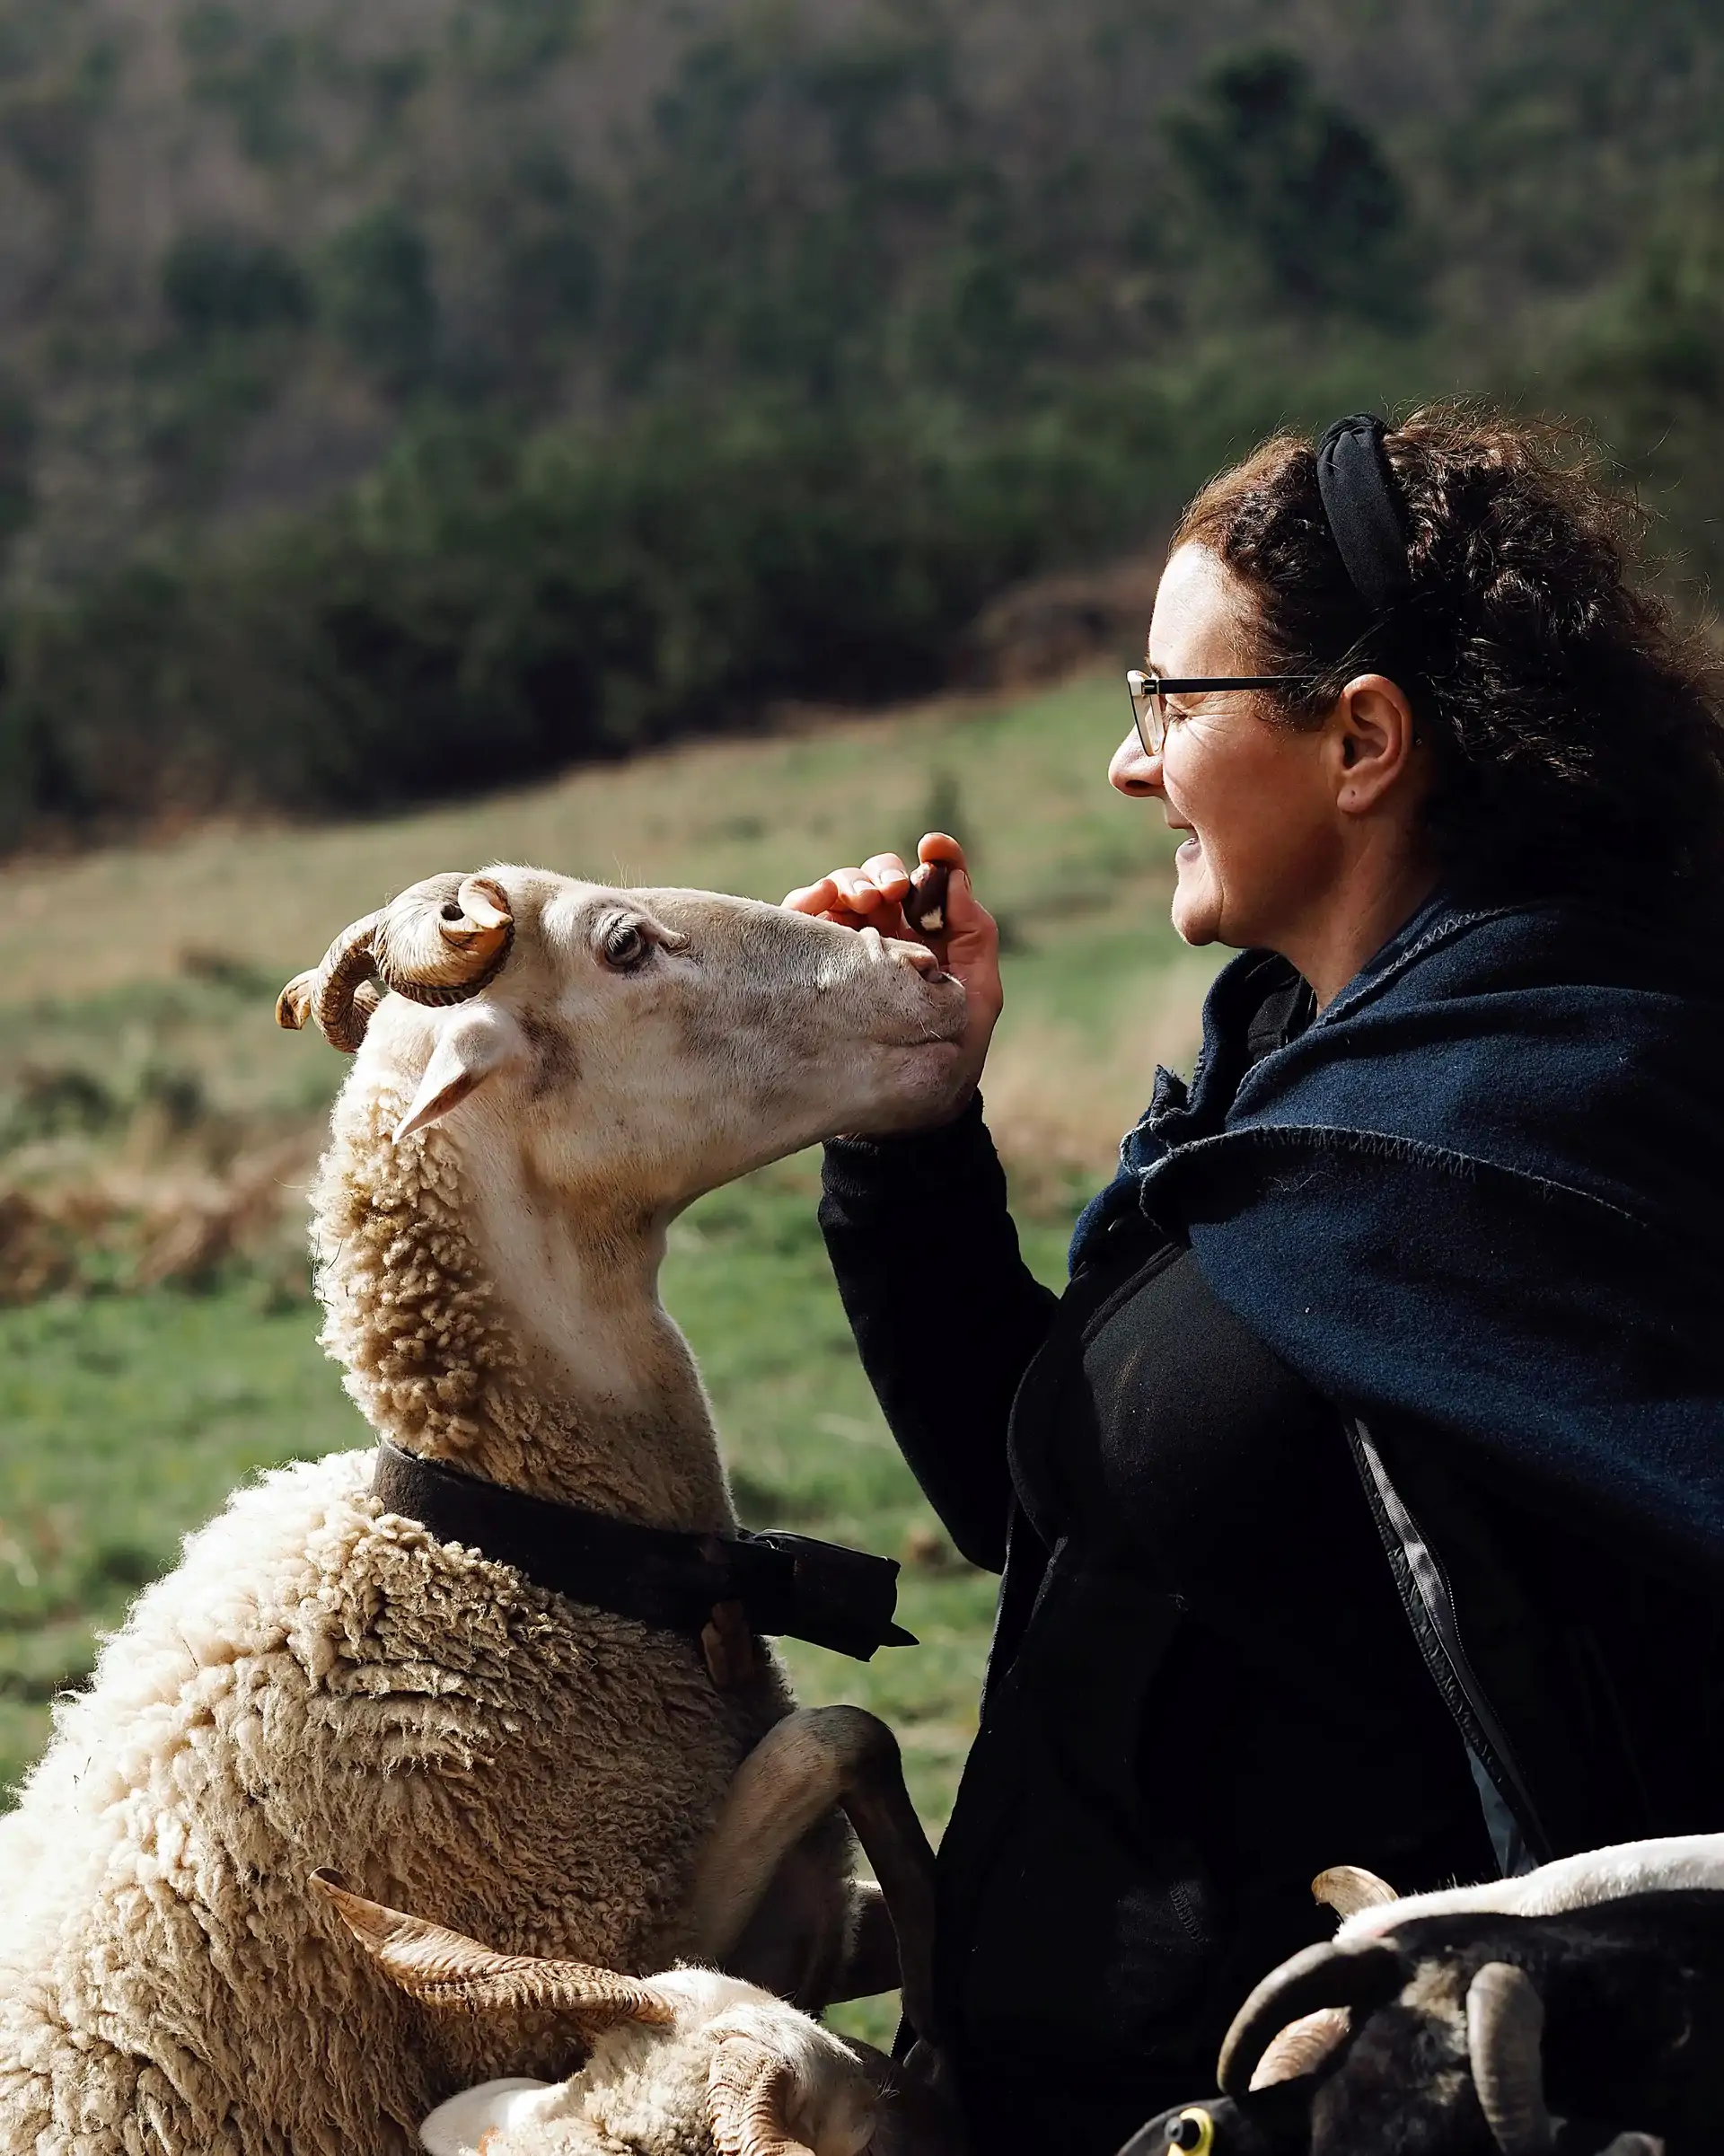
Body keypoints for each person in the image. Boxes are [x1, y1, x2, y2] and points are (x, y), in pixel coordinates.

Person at [783, 408, 1724, 2156]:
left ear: (1362, 737)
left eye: (1170, 703)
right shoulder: (1273, 1075)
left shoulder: (1547, 1113)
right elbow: (1051, 1506)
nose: (1132, 771)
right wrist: (908, 1116)